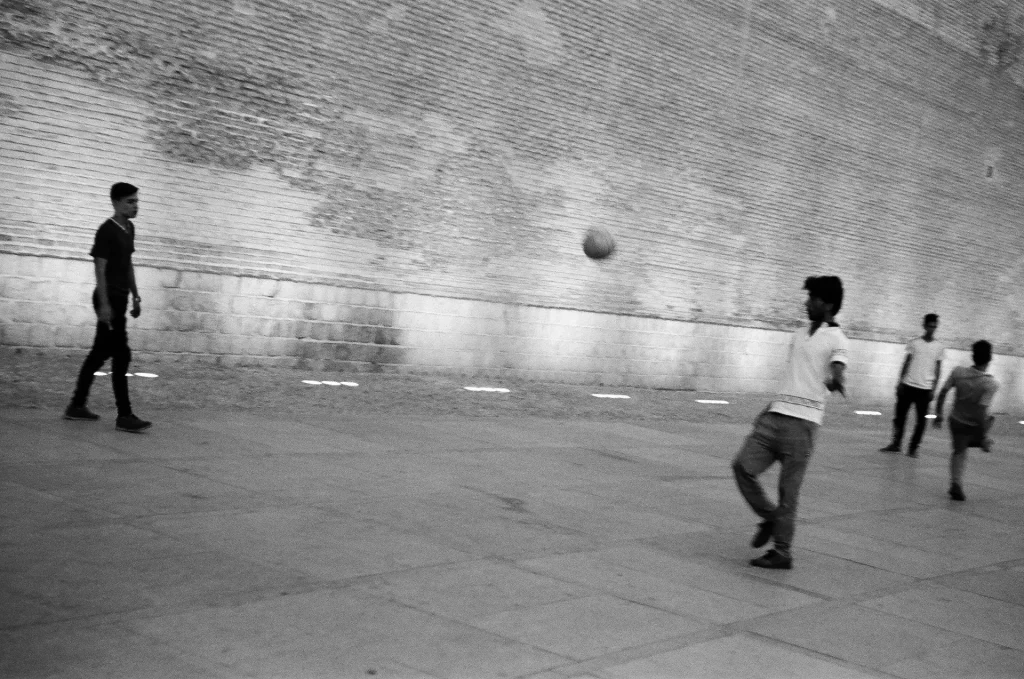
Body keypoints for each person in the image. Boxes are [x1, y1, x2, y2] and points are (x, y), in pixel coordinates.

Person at [732, 276, 849, 569]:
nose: (807, 302)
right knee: (742, 466)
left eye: (813, 298)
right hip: (775, 415)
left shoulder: (838, 339)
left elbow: (838, 365)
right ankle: (771, 518)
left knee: (789, 491)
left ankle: (782, 552)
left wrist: (836, 379)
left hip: (804, 424)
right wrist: (771, 407)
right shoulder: (798, 333)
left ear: (829, 304)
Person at [64, 182, 152, 432]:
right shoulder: (106, 231)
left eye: (136, 201)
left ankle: (76, 405)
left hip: (121, 298)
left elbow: (128, 264)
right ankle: (124, 415)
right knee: (122, 355)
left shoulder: (129, 229)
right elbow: (100, 269)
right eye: (130, 201)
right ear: (116, 202)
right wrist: (103, 305)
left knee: (99, 354)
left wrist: (135, 295)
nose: (136, 206)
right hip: (108, 299)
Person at [932, 340, 998, 502]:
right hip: (974, 424)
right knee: (989, 419)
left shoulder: (958, 372)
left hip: (956, 421)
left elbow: (942, 392)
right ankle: (980, 442)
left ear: (972, 356)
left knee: (959, 451)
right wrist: (983, 436)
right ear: (989, 359)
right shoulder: (990, 383)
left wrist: (939, 414)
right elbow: (980, 411)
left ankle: (956, 483)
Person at [880, 314, 944, 457]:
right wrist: (900, 382)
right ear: (924, 326)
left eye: (934, 326)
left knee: (921, 421)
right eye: (930, 326)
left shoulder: (939, 347)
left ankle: (913, 448)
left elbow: (938, 369)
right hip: (908, 385)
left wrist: (934, 388)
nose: (932, 329)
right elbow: (906, 363)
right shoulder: (914, 343)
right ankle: (896, 443)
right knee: (899, 417)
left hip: (925, 389)